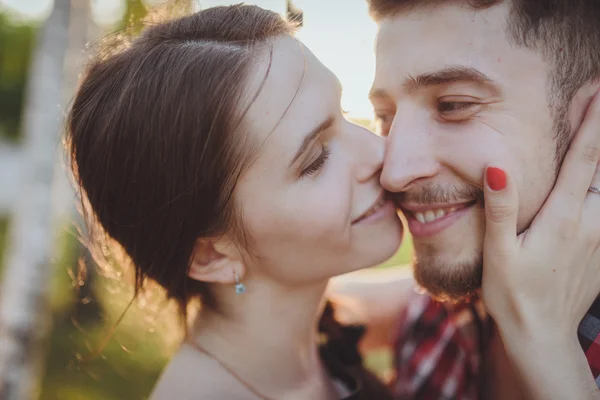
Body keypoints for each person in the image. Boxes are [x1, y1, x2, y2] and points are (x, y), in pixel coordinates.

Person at [65, 4, 600, 400]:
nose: (386, 159)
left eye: (354, 118)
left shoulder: (364, 324)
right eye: (316, 159)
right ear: (210, 255)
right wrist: (551, 353)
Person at [331, 0, 600, 399]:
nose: (395, 170)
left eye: (454, 106)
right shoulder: (452, 299)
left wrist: (549, 354)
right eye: (384, 116)